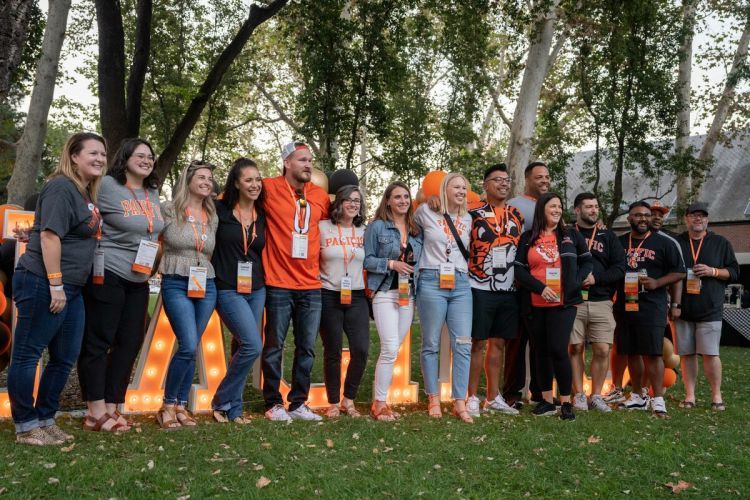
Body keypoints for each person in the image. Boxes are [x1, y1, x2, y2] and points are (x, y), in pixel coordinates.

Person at [8, 132, 106, 445]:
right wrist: (56, 285)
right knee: (27, 354)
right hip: (43, 281)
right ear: (74, 156)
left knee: (64, 358)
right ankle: (26, 425)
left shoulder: (85, 193)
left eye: (103, 154)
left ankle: (46, 417)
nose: (100, 159)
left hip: (72, 287)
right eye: (93, 153)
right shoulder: (61, 187)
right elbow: (50, 237)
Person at [77, 138, 164, 432]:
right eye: (139, 155)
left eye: (150, 156)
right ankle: (94, 410)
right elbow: (81, 213)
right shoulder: (105, 186)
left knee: (130, 341)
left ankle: (113, 405)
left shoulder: (152, 191)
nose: (146, 160)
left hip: (139, 278)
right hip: (108, 271)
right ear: (124, 157)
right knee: (99, 341)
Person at [260, 142, 330, 422]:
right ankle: (273, 403)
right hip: (278, 281)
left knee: (307, 347)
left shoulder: (319, 195)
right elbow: (231, 194)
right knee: (274, 344)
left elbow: (337, 218)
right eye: (302, 160)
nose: (307, 165)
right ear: (286, 163)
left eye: (310, 160)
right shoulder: (268, 187)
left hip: (311, 283)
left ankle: (299, 402)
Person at [514, 193, 592, 420]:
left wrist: (576, 281)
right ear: (542, 209)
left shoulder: (571, 235)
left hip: (564, 303)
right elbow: (519, 270)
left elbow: (587, 260)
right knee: (541, 350)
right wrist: (539, 288)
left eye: (559, 206)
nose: (557, 210)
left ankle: (565, 402)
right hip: (535, 302)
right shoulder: (528, 237)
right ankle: (547, 400)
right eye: (552, 206)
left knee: (558, 348)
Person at [156, 160, 218, 429]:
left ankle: (181, 405)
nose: (207, 182)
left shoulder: (211, 214)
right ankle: (167, 405)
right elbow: (154, 240)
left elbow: (209, 249)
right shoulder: (169, 209)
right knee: (188, 343)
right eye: (202, 177)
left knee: (192, 348)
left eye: (210, 178)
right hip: (175, 280)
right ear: (188, 180)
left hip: (206, 283)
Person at [210, 158, 266, 423]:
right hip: (227, 286)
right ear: (236, 183)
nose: (255, 185)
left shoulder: (263, 213)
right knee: (252, 345)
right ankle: (221, 400)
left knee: (241, 346)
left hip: (257, 287)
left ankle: (235, 409)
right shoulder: (219, 209)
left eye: (257, 179)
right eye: (248, 180)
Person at [616, 201, 685, 417]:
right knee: (632, 351)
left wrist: (657, 282)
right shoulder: (618, 242)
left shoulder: (664, 243)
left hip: (652, 305)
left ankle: (657, 399)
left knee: (653, 353)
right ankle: (638, 395)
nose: (643, 219)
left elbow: (680, 272)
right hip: (625, 304)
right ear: (629, 219)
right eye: (638, 215)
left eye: (647, 215)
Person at [415, 173, 474, 423]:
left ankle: (459, 401)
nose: (461, 191)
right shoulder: (425, 212)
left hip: (460, 282)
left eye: (464, 187)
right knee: (431, 343)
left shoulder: (469, 218)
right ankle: (433, 398)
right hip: (431, 279)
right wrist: (429, 199)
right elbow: (404, 221)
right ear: (444, 189)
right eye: (456, 186)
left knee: (463, 343)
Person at [465, 164, 523, 418]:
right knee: (477, 342)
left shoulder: (516, 214)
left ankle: (493, 396)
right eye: (497, 179)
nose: (503, 184)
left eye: (506, 180)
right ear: (485, 184)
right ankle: (470, 397)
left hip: (509, 288)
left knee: (498, 343)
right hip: (479, 286)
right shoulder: (471, 212)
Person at [364, 182, 422, 421]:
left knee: (394, 349)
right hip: (385, 291)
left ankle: (381, 400)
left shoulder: (417, 229)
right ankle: (379, 403)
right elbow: (366, 260)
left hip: (407, 295)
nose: (402, 201)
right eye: (397, 197)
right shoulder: (377, 227)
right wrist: (390, 264)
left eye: (406, 196)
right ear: (387, 200)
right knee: (389, 347)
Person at [674, 202, 739, 410]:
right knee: (686, 354)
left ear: (707, 219)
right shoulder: (677, 242)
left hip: (710, 309)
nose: (698, 219)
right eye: (693, 215)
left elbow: (734, 272)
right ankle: (690, 395)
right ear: (686, 219)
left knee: (710, 354)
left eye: (702, 216)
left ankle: (716, 396)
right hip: (682, 309)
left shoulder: (720, 242)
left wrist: (713, 271)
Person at [569, 193, 626, 413]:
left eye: (595, 207)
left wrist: (596, 278)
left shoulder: (608, 236)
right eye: (588, 207)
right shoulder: (566, 234)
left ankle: (596, 395)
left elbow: (620, 268)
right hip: (574, 300)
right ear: (577, 210)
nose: (593, 210)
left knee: (602, 349)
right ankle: (579, 395)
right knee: (575, 347)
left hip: (601, 300)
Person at [503, 161, 550, 408]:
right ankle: (512, 394)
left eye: (547, 177)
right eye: (539, 177)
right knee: (517, 342)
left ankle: (539, 392)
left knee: (541, 341)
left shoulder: (552, 205)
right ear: (527, 180)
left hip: (546, 288)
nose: (544, 181)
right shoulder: (515, 206)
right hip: (519, 285)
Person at [319, 185, 368, 418]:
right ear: (338, 203)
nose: (353, 204)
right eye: (348, 200)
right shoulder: (323, 228)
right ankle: (332, 402)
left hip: (356, 294)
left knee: (361, 349)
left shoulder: (365, 232)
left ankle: (349, 399)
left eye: (357, 201)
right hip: (328, 293)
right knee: (333, 351)